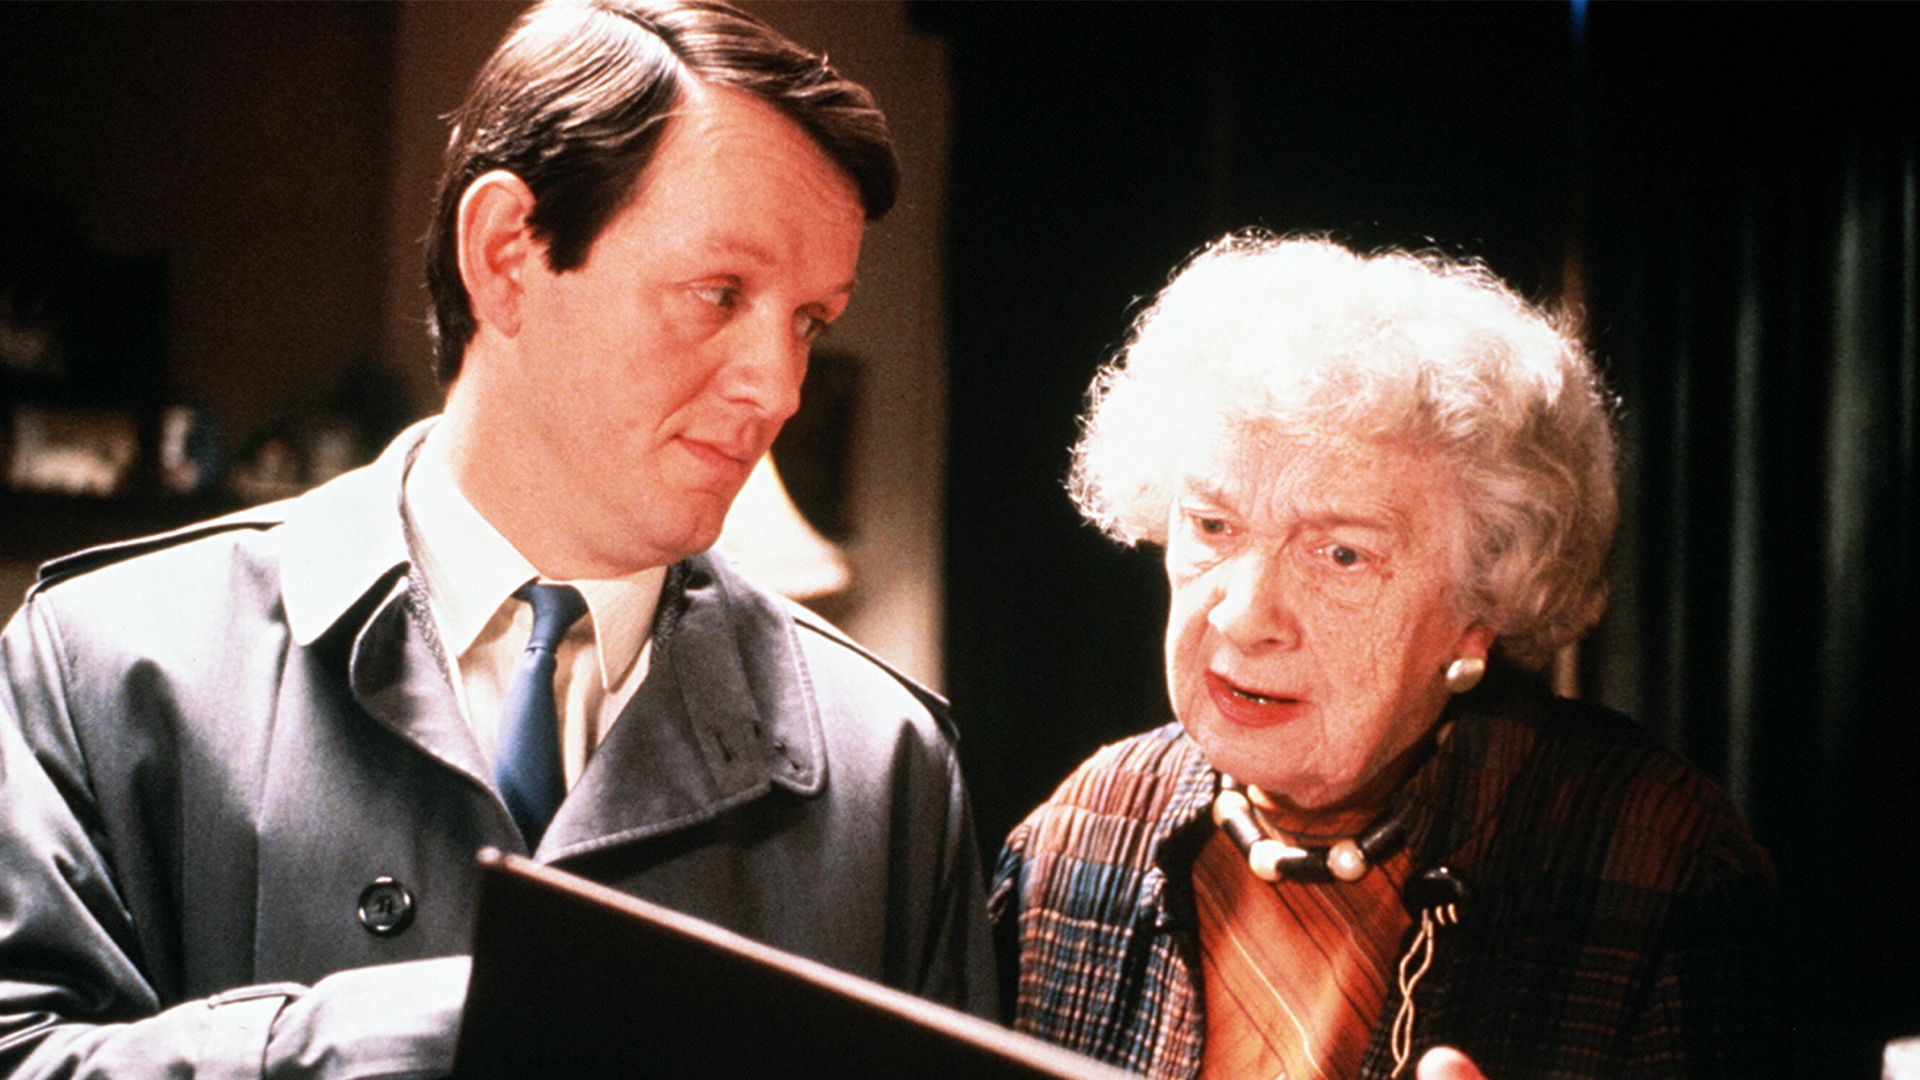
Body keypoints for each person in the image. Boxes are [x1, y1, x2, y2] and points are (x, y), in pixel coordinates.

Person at [0, 2, 994, 1076]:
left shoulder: (887, 764)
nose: (780, 386)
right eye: (720, 293)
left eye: (810, 320)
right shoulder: (101, 665)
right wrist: (371, 1046)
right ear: (506, 253)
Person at [990, 234, 1776, 1079]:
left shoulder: (1654, 857)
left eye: (1342, 555)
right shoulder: (1086, 831)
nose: (1246, 617)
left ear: (1481, 605)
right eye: (1213, 526)